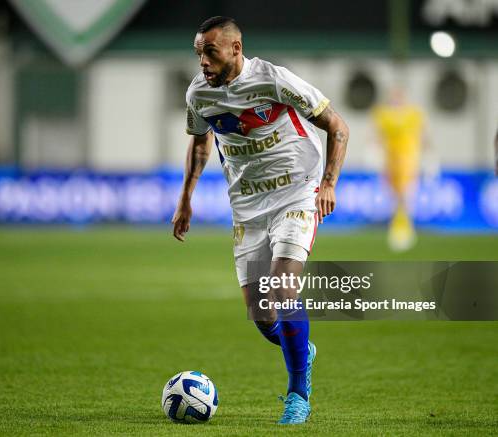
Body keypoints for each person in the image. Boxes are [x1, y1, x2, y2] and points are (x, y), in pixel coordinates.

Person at [171, 16, 348, 424]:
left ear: (235, 48)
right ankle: (301, 346)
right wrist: (186, 200)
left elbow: (338, 127)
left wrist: (329, 184)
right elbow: (200, 143)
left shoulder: (274, 80)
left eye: (209, 52)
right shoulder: (199, 93)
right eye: (198, 53)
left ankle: (297, 394)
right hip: (248, 205)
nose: (202, 62)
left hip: (296, 191)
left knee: (284, 290)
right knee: (262, 314)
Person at [372, 88, 426, 251]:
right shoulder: (383, 114)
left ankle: (404, 228)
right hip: (390, 160)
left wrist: (427, 155)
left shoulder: (413, 113)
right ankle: (397, 226)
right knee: (393, 194)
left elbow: (422, 134)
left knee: (405, 194)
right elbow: (378, 135)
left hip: (408, 158)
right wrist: (375, 153)